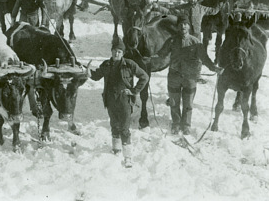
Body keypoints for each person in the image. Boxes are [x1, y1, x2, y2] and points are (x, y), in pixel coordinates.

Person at [156, 15, 222, 135]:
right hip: (174, 76)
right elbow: (160, 55)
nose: (183, 26)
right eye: (180, 24)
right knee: (174, 103)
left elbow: (205, 58)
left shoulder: (196, 42)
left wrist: (214, 68)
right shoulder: (171, 40)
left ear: (189, 27)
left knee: (188, 104)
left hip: (190, 78)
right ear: (177, 27)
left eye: (185, 24)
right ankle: (176, 123)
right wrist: (145, 59)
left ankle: (186, 125)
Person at [89, 39, 149, 168]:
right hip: (110, 99)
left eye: (119, 52)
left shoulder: (129, 64)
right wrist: (87, 72)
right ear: (111, 51)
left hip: (124, 100)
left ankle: (128, 157)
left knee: (124, 128)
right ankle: (116, 149)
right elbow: (96, 76)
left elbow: (144, 77)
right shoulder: (106, 64)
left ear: (122, 53)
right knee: (114, 125)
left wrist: (133, 91)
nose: (116, 54)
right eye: (115, 51)